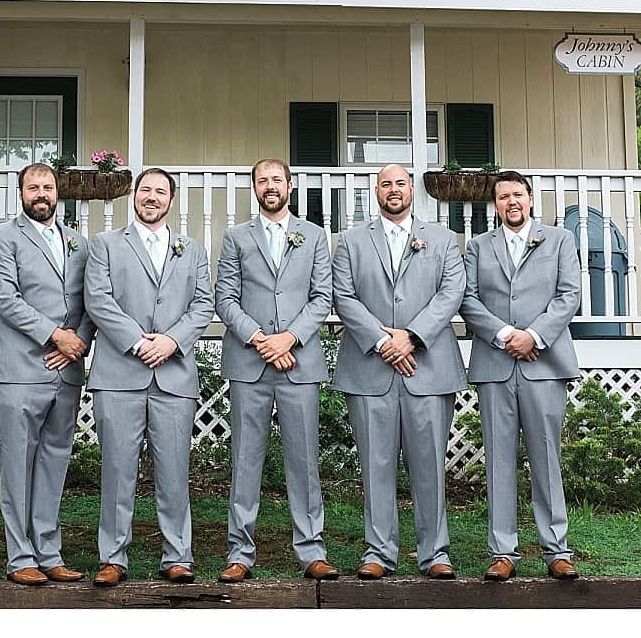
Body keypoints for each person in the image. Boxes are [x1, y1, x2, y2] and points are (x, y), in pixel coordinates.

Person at [332, 163, 466, 578]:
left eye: (401, 183)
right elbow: (344, 296)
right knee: (376, 465)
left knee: (429, 465)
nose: (394, 190)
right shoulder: (351, 241)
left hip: (429, 367)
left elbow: (452, 292)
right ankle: (378, 553)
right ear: (376, 191)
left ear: (412, 190)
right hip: (370, 368)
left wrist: (411, 336)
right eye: (386, 184)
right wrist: (382, 341)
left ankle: (436, 554)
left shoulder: (443, 240)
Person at [83, 168, 215, 587]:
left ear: (171, 201)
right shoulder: (105, 245)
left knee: (174, 470)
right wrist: (139, 342)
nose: (151, 197)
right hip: (119, 373)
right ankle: (113, 556)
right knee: (117, 470)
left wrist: (172, 342)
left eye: (160, 192)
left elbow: (203, 304)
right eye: (145, 190)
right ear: (134, 197)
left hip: (173, 377)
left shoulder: (191, 249)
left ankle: (177, 554)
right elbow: (98, 301)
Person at [214, 158, 338, 582]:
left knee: (303, 460)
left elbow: (323, 297)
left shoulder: (315, 236)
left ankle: (311, 550)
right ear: (254, 188)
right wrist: (261, 339)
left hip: (298, 362)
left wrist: (289, 338)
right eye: (262, 181)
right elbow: (225, 298)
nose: (270, 186)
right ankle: (240, 551)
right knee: (245, 458)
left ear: (289, 185)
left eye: (276, 180)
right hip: (250, 362)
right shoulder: (236, 237)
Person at [461, 170, 581, 581]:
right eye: (502, 196)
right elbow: (468, 299)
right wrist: (504, 335)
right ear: (494, 204)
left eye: (517, 194)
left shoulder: (559, 241)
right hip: (495, 365)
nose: (510, 201)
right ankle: (503, 552)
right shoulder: (477, 247)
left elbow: (569, 295)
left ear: (530, 198)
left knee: (546, 456)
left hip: (544, 365)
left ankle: (556, 550)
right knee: (498, 458)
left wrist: (533, 335)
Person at [0, 162, 94, 585]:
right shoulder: (1, 239)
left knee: (54, 461)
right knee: (17, 463)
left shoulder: (79, 243)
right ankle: (19, 556)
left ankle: (49, 550)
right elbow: (5, 300)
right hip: (18, 369)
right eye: (33, 187)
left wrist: (76, 342)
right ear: (21, 193)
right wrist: (55, 336)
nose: (41, 193)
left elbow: (90, 301)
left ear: (58, 191)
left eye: (47, 186)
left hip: (66, 370)